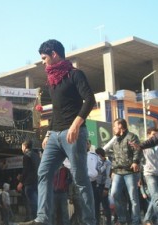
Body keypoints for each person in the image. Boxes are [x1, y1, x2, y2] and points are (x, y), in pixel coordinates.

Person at [19, 39, 96, 225]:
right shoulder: (52, 81)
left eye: (44, 58)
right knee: (43, 172)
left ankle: (89, 221)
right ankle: (43, 218)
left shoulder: (75, 74)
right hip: (54, 135)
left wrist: (76, 125)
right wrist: (47, 133)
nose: (43, 62)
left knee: (80, 178)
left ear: (54, 54)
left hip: (74, 134)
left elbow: (90, 100)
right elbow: (57, 110)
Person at [110, 118, 142, 225]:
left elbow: (138, 150)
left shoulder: (132, 137)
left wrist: (135, 162)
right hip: (118, 172)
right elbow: (114, 157)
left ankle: (136, 221)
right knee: (114, 194)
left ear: (120, 126)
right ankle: (123, 219)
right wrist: (113, 171)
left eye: (115, 126)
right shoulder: (115, 140)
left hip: (130, 172)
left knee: (133, 198)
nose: (113, 128)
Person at [141, 127, 158, 225]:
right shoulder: (144, 146)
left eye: (156, 135)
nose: (155, 137)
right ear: (148, 135)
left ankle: (147, 218)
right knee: (156, 197)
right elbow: (139, 161)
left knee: (156, 198)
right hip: (149, 174)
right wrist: (139, 178)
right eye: (153, 135)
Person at [17, 139, 40, 221]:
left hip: (29, 183)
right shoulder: (36, 155)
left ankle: (34, 219)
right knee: (36, 201)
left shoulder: (26, 156)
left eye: (21, 146)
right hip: (37, 182)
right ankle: (37, 218)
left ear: (24, 147)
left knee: (32, 203)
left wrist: (21, 182)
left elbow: (26, 170)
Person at [95, 147, 112, 225]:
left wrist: (106, 188)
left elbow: (108, 176)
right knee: (96, 205)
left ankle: (108, 222)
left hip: (103, 186)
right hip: (95, 185)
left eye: (96, 154)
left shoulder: (108, 163)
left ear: (99, 154)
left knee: (105, 206)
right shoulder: (96, 161)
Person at [87, 141, 100, 225]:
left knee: (95, 205)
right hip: (81, 184)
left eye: (87, 143)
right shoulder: (77, 155)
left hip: (93, 184)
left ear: (90, 145)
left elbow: (98, 169)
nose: (85, 144)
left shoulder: (94, 156)